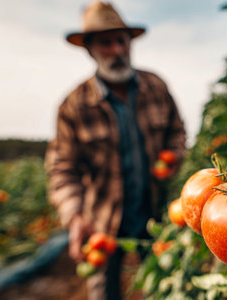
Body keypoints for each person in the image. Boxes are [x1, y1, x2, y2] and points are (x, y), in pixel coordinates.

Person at [45, 1, 186, 299]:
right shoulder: (74, 106)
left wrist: (175, 155)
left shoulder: (155, 87)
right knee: (104, 291)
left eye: (121, 41)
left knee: (163, 284)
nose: (117, 50)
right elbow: (62, 169)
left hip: (155, 211)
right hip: (103, 221)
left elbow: (177, 131)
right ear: (90, 49)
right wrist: (75, 216)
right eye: (106, 43)